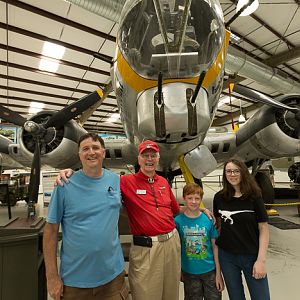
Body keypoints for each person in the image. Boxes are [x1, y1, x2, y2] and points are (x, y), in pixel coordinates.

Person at [55, 139, 214, 300]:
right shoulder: (124, 182)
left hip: (172, 244)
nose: (149, 159)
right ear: (138, 159)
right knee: (145, 294)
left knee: (171, 294)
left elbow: (174, 210)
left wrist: (197, 208)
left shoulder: (164, 183)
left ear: (158, 159)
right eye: (145, 156)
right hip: (147, 248)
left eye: (153, 155)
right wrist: (71, 173)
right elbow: (97, 177)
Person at [43, 133, 128, 300]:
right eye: (85, 149)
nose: (91, 152)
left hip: (113, 277)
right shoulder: (64, 184)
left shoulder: (117, 181)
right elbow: (51, 231)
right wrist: (52, 277)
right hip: (75, 282)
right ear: (79, 155)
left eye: (96, 148)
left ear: (104, 152)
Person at [213, 158, 270, 300]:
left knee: (261, 297)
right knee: (236, 297)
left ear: (243, 172)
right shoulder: (219, 198)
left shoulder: (254, 197)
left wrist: (261, 260)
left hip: (251, 256)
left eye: (236, 171)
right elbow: (219, 225)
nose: (232, 174)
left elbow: (263, 228)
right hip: (227, 257)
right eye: (228, 171)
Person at [175, 183, 224, 300]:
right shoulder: (177, 221)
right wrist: (179, 270)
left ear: (201, 199)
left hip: (210, 272)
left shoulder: (208, 220)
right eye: (190, 198)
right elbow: (176, 249)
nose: (193, 201)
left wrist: (218, 273)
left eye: (197, 198)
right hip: (189, 273)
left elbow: (215, 247)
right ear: (184, 199)